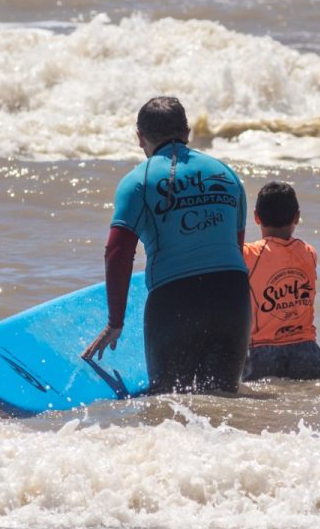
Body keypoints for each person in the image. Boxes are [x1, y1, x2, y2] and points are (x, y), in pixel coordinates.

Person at [81, 96, 250, 394]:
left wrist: (114, 321)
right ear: (187, 133)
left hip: (176, 300)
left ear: (140, 138)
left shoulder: (138, 182)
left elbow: (117, 253)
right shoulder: (227, 175)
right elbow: (235, 250)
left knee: (169, 405)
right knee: (225, 402)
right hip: (232, 297)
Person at [241, 182, 320, 381]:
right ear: (297, 216)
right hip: (308, 352)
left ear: (256, 217)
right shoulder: (309, 253)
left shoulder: (248, 254)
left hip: (263, 352)